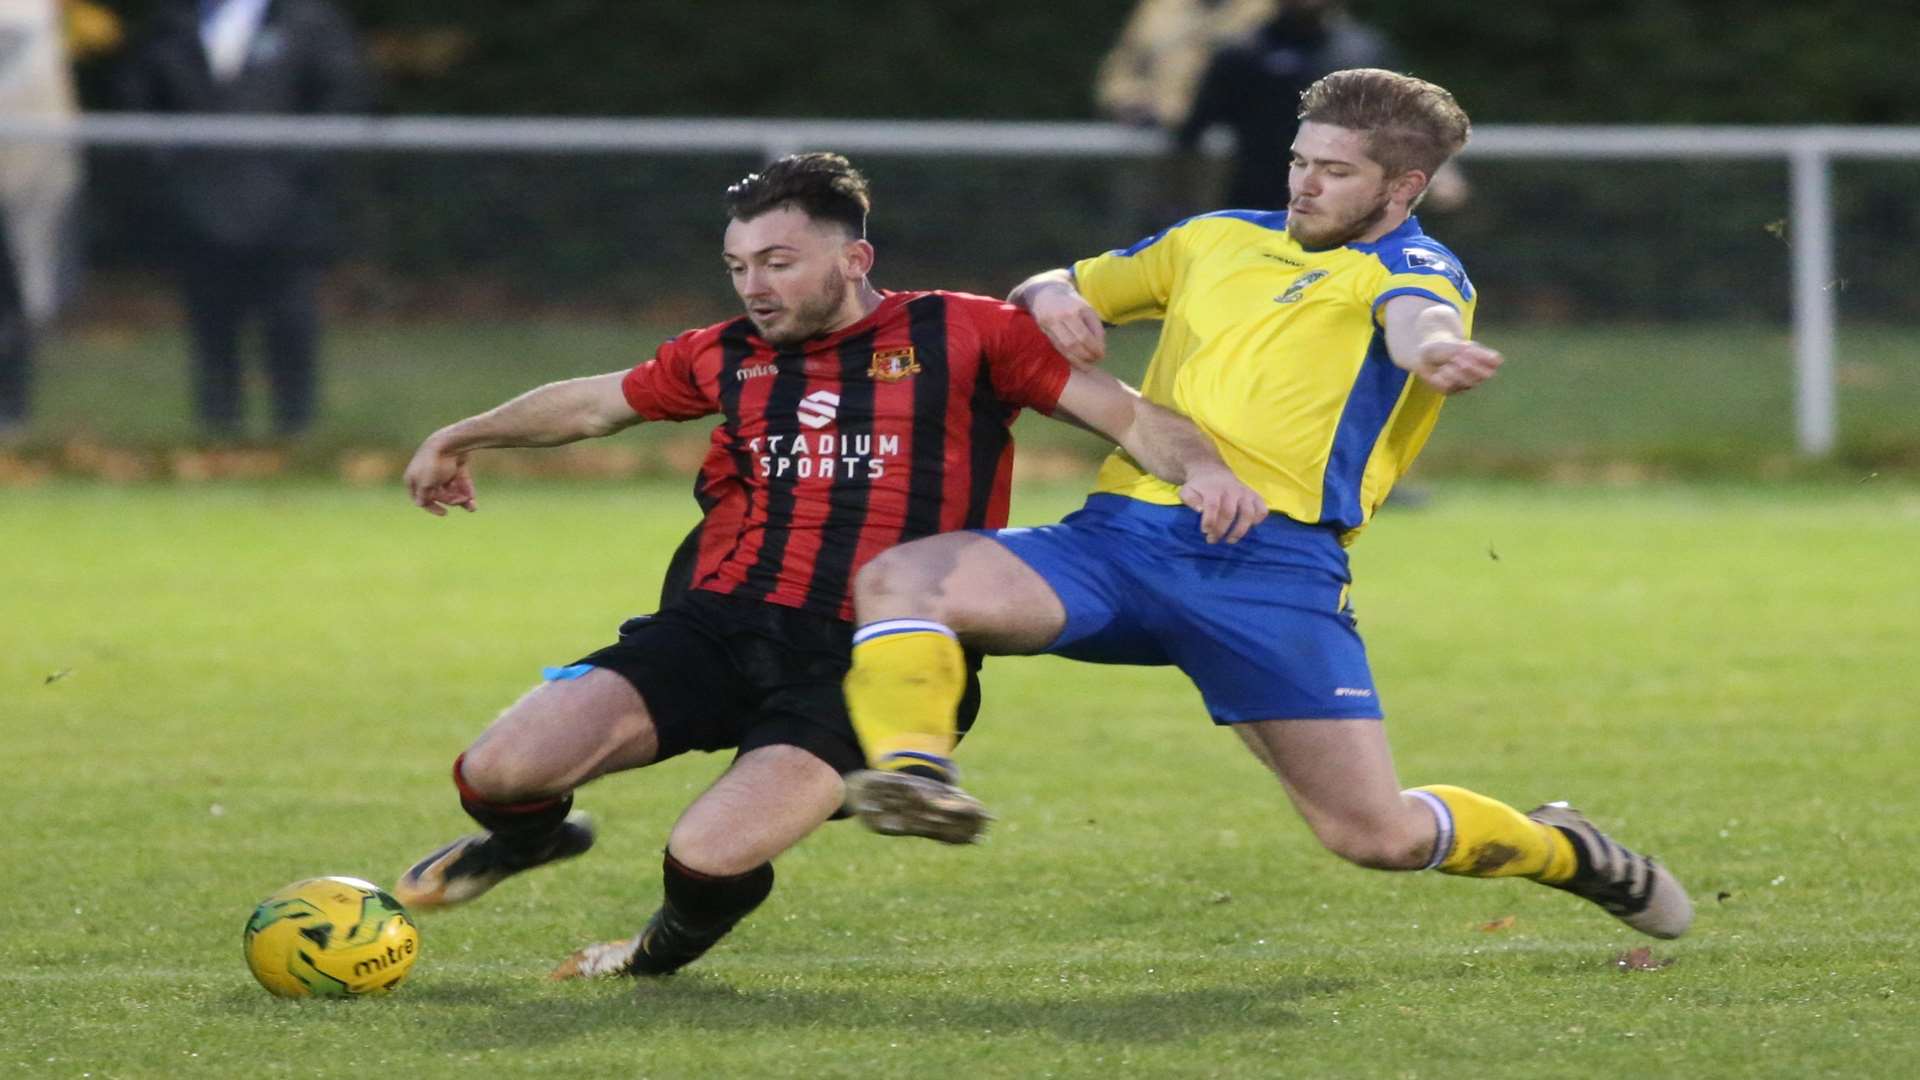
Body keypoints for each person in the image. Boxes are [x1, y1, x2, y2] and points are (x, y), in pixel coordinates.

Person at [839, 70, 1693, 941]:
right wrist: (1052, 292)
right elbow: (1058, 285)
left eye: (1336, 171)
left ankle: (1570, 851)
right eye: (1299, 159)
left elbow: (1418, 318)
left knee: (1375, 836)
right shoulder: (1215, 239)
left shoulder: (1410, 266)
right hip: (1117, 543)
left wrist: (1433, 352)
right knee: (905, 580)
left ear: (1403, 189)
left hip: (1269, 572)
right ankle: (917, 776)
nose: (1303, 183)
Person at [391, 153, 1267, 979]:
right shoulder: (725, 352)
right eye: (737, 266)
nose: (754, 288)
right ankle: (529, 840)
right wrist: (461, 434)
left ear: (855, 258)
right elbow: (592, 404)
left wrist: (1207, 469)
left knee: (705, 854)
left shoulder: (966, 333)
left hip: (870, 659)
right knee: (499, 771)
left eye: (777, 262)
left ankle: (659, 948)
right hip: (717, 627)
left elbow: (1128, 416)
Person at [119, 0, 369, 439]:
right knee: (212, 329)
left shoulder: (307, 22)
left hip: (287, 212)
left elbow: (341, 100)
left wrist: (287, 177)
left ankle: (296, 434)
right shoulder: (173, 22)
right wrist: (180, 176)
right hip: (198, 210)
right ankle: (219, 435)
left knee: (289, 323)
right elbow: (141, 101)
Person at [1177, 1, 1465, 214]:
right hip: (1259, 207)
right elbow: (1194, 129)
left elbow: (1411, 118)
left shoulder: (1363, 50)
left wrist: (1442, 172)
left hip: (1348, 209)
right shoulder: (1242, 54)